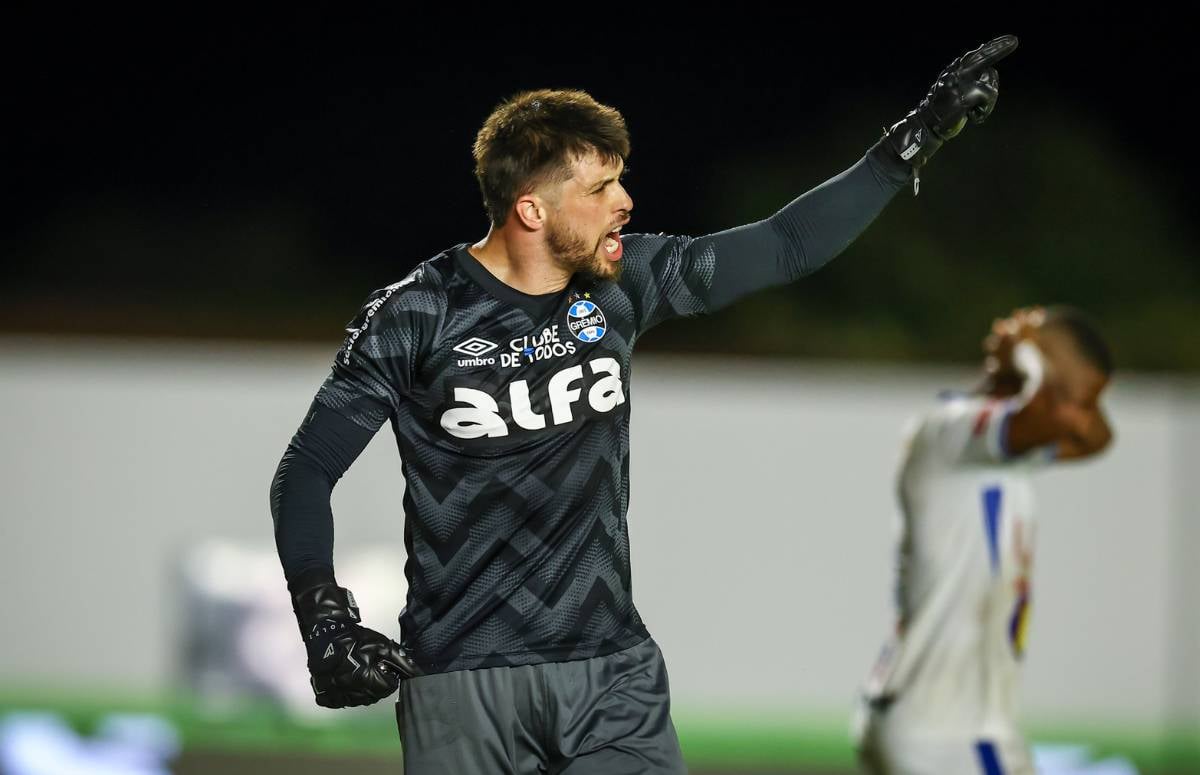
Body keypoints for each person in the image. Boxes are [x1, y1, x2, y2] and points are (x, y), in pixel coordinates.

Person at [271, 36, 1018, 774]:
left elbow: (787, 243)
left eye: (620, 181)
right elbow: (305, 471)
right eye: (598, 190)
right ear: (531, 209)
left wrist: (908, 144)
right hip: (461, 683)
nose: (624, 203)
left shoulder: (625, 282)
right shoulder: (417, 314)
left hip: (610, 676)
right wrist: (324, 621)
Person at [856, 306, 1115, 775]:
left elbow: (1096, 435)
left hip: (932, 720)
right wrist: (1037, 357)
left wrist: (1052, 366)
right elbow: (1057, 417)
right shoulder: (953, 428)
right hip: (949, 731)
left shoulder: (1012, 453)